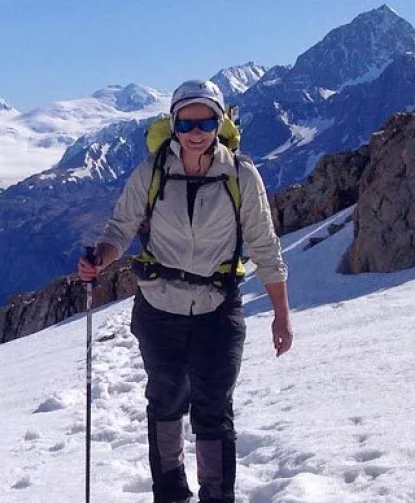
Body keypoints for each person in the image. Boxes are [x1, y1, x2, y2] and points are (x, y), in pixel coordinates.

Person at [78, 79, 294, 503]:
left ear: (220, 122)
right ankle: (171, 493)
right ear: (174, 124)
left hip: (217, 306)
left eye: (206, 120)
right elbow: (121, 226)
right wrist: (102, 257)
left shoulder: (241, 175)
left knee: (213, 409)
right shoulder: (154, 172)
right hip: (160, 307)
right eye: (187, 122)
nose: (197, 131)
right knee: (166, 402)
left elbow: (265, 245)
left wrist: (281, 314)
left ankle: (217, 497)